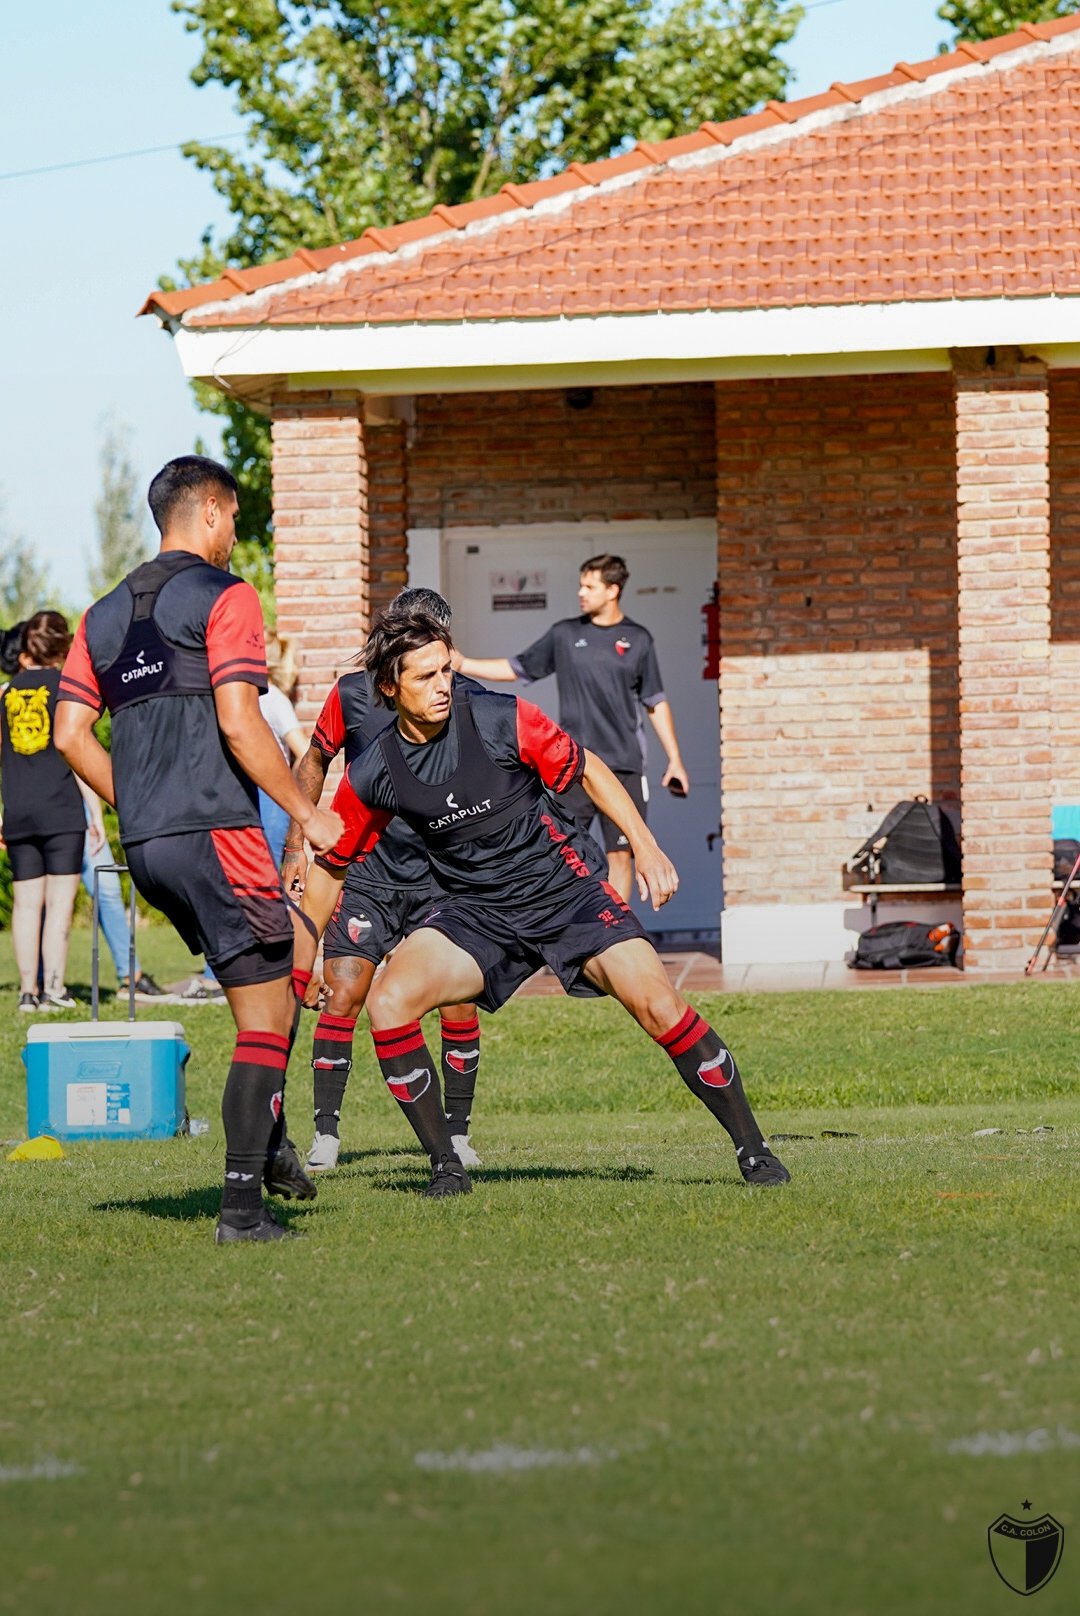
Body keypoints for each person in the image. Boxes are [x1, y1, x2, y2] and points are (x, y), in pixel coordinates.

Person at [301, 609, 789, 1197]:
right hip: (476, 911)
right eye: (425, 677)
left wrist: (646, 845)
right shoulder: (378, 766)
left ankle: (755, 1152)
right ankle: (446, 1168)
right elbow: (332, 865)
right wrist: (304, 960)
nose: (442, 686)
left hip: (566, 892)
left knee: (659, 1005)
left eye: (446, 671)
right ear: (389, 687)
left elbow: (590, 771)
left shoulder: (500, 718)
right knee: (390, 1001)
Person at [56, 455, 343, 1243]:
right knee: (270, 1014)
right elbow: (240, 722)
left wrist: (140, 806)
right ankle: (245, 1208)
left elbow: (69, 735)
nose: (236, 537)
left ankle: (273, 1144)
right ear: (211, 511)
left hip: (149, 847)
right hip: (216, 834)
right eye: (236, 520)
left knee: (263, 992)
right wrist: (305, 813)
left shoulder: (100, 616)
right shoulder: (227, 596)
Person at [283, 588, 484, 1172]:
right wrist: (297, 843)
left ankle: (458, 1134)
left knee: (458, 1007)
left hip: (445, 874)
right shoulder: (350, 694)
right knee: (342, 995)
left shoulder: (461, 698)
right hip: (369, 874)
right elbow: (316, 762)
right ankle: (326, 1136)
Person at [454, 553, 690, 902]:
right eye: (580, 584)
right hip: (572, 765)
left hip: (624, 765)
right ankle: (568, 933)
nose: (581, 592)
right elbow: (517, 669)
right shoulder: (565, 634)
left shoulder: (638, 639)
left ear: (612, 590)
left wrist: (676, 760)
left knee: (620, 856)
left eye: (589, 586)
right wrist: (462, 663)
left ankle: (614, 936)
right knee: (562, 851)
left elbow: (655, 700)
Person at [0, 611, 91, 1011]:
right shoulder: (66, 688)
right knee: (58, 905)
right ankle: (54, 988)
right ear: (64, 646)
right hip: (60, 808)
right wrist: (94, 805)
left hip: (18, 808)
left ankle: (26, 991)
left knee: (25, 904)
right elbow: (77, 749)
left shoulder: (4, 694)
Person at [79, 796, 166, 1000]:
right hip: (37, 804)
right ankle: (38, 987)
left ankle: (131, 976)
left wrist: (95, 813)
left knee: (107, 890)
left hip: (75, 803)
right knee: (41, 901)